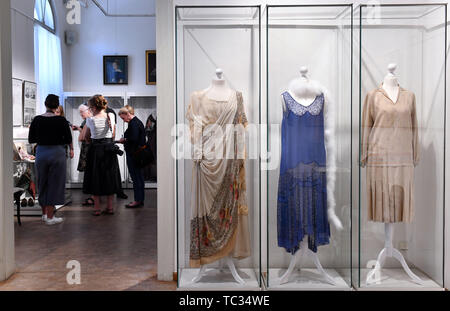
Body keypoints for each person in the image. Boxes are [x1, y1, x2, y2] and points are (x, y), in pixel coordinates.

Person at [28, 94, 72, 225]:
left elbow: (32, 139)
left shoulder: (37, 119)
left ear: (45, 104)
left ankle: (43, 214)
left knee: (42, 182)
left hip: (41, 152)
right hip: (57, 152)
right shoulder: (61, 120)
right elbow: (68, 139)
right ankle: (51, 216)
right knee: (55, 184)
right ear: (57, 105)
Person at [80, 95, 121, 215]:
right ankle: (110, 207)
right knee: (109, 177)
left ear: (93, 107)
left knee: (95, 177)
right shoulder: (111, 115)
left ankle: (97, 208)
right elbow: (113, 133)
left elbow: (86, 136)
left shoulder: (90, 119)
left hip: (95, 150)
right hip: (109, 149)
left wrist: (91, 141)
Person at [118, 105, 145, 208]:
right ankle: (139, 199)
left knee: (136, 177)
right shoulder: (137, 122)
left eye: (123, 118)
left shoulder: (133, 123)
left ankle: (137, 200)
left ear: (127, 114)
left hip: (134, 154)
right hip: (137, 154)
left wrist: (124, 140)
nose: (124, 120)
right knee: (139, 177)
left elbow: (133, 139)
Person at [72, 104, 95, 206]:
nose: (81, 114)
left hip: (89, 148)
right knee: (89, 171)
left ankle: (94, 196)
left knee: (91, 172)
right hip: (87, 147)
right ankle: (93, 195)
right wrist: (79, 129)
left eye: (82, 112)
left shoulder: (90, 120)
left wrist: (81, 132)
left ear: (88, 110)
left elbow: (84, 137)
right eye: (80, 112)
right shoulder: (86, 120)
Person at [105, 105, 128, 200]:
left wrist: (111, 142)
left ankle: (118, 191)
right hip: (106, 143)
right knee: (112, 169)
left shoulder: (109, 112)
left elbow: (113, 130)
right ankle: (117, 191)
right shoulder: (108, 112)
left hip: (106, 143)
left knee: (113, 169)